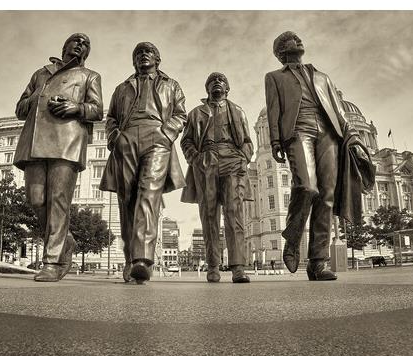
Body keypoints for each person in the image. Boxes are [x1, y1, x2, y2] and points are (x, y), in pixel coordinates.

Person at [265, 31, 369, 281]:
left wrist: (352, 138)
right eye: (291, 39)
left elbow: (339, 111)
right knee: (307, 186)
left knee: (327, 196)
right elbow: (273, 109)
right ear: (281, 51)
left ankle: (318, 263)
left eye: (299, 38)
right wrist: (276, 139)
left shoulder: (323, 77)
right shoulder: (274, 77)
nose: (298, 41)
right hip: (298, 129)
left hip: (328, 133)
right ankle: (292, 236)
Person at [14, 33, 103, 282]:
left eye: (86, 43)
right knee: (35, 199)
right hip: (35, 141)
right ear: (65, 46)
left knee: (58, 200)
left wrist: (76, 108)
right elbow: (20, 109)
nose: (80, 45)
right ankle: (66, 240)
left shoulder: (89, 76)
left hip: (67, 141)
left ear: (87, 53)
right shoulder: (40, 73)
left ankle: (52, 262)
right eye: (76, 40)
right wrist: (37, 96)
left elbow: (97, 109)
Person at [100, 42, 186, 284]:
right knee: (126, 198)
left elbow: (181, 114)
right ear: (133, 61)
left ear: (157, 59)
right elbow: (111, 118)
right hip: (127, 138)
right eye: (138, 53)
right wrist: (115, 137)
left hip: (157, 136)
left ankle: (143, 260)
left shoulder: (172, 85)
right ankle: (130, 259)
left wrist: (167, 133)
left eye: (148, 52)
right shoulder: (121, 88)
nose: (143, 56)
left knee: (149, 193)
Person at [181, 73, 253, 283]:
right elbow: (186, 142)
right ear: (207, 89)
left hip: (232, 158)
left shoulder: (237, 111)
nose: (217, 83)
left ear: (227, 88)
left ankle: (238, 267)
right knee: (209, 215)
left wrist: (244, 158)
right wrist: (196, 158)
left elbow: (247, 141)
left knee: (234, 213)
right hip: (206, 162)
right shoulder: (195, 113)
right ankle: (213, 266)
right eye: (212, 81)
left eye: (221, 80)